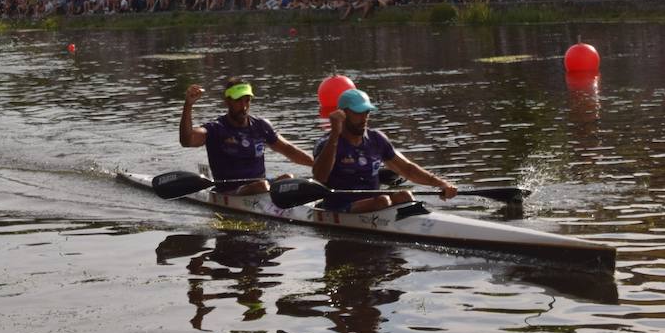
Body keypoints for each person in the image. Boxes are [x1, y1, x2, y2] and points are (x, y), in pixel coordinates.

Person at [313, 89, 458, 212]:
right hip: (339, 206)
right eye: (358, 113)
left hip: (374, 203)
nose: (364, 118)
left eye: (367, 112)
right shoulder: (326, 143)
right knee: (382, 201)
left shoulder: (376, 139)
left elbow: (407, 169)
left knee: (405, 196)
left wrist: (441, 184)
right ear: (342, 114)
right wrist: (334, 135)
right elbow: (320, 177)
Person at [179, 79, 314, 194]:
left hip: (261, 187)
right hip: (230, 191)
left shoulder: (261, 126)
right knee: (261, 186)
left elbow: (289, 150)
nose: (244, 107)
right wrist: (188, 105)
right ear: (227, 102)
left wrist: (317, 165)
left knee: (288, 179)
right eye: (238, 101)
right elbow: (187, 140)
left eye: (247, 101)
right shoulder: (216, 129)